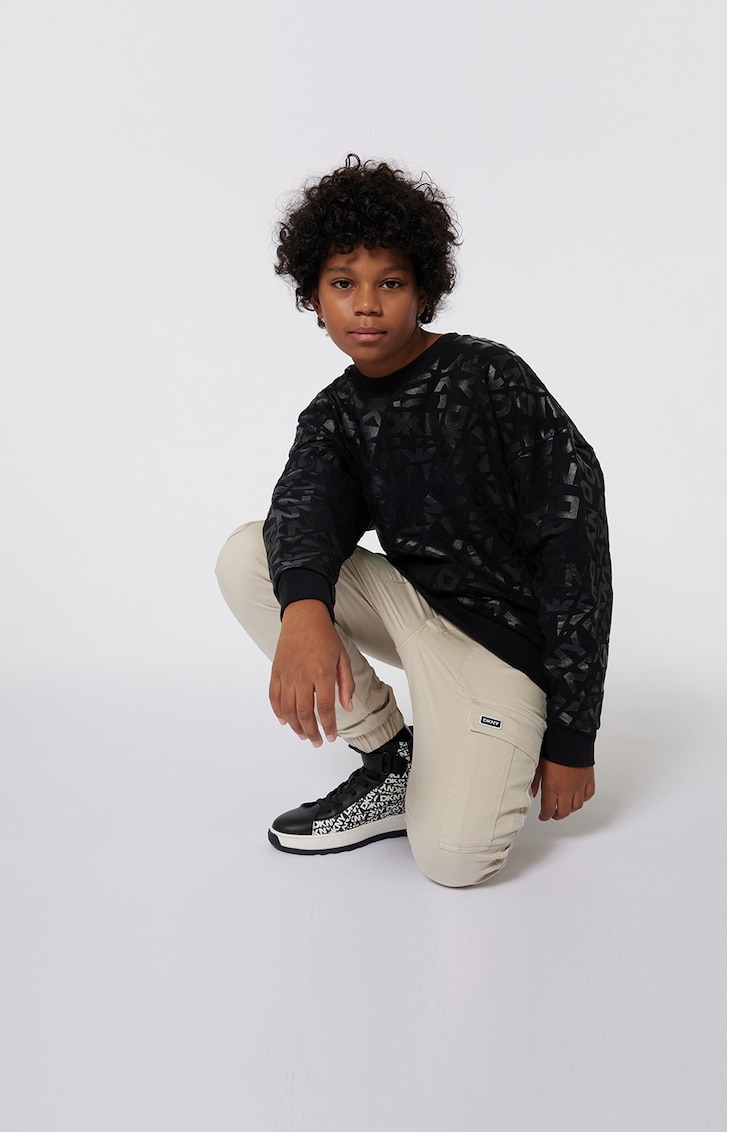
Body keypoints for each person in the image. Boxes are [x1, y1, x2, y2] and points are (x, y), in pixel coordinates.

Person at [215, 154, 612, 888]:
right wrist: (304, 611)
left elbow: (574, 542)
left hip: (502, 649)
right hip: (416, 611)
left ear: (424, 291)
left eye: (390, 283)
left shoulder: (489, 377)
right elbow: (304, 506)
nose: (366, 305)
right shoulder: (334, 414)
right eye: (343, 284)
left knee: (454, 861)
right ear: (314, 298)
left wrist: (573, 735)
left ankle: (477, 741)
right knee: (253, 556)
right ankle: (390, 756)